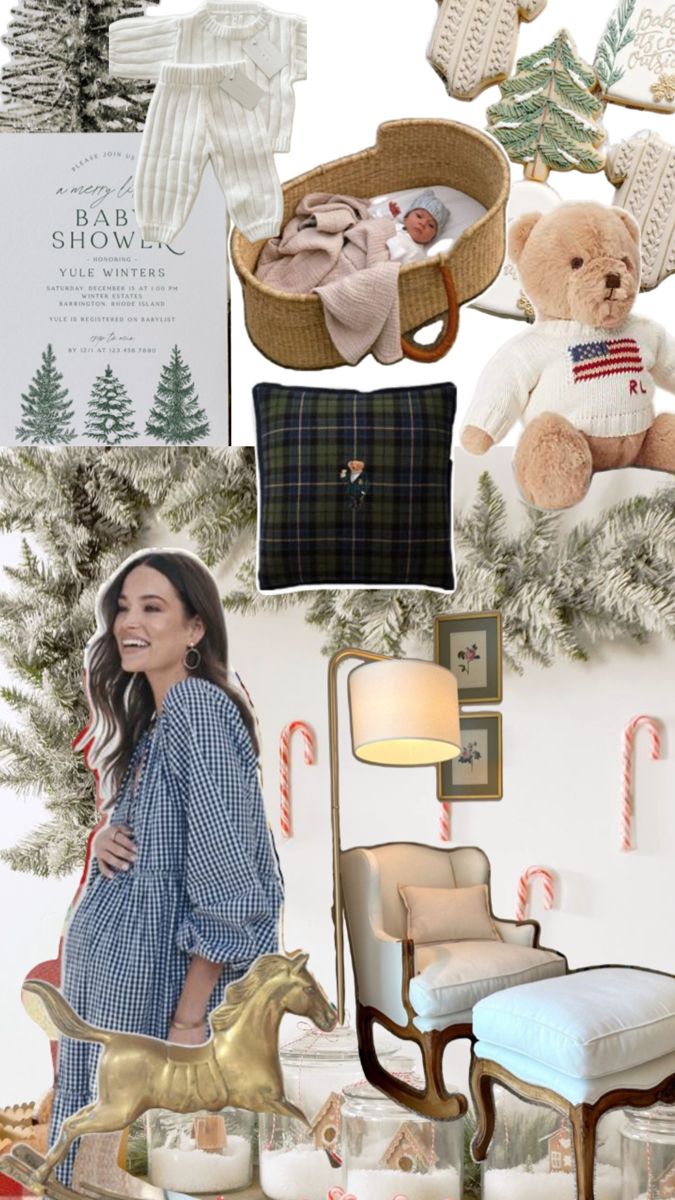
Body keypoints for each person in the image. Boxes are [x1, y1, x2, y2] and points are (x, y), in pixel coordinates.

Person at [48, 549, 284, 1184]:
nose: (131, 620)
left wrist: (188, 1021)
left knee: (133, 1170)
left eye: (153, 607)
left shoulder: (198, 713)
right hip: (117, 995)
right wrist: (103, 839)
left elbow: (231, 885)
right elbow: (161, 847)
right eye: (124, 606)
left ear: (195, 628)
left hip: (157, 1008)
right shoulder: (158, 724)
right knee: (98, 1163)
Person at [368, 188, 451, 264]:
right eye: (419, 216)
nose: (423, 223)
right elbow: (373, 220)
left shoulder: (417, 253)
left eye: (431, 225)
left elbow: (403, 271)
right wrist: (389, 215)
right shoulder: (394, 223)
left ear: (432, 238)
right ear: (406, 217)